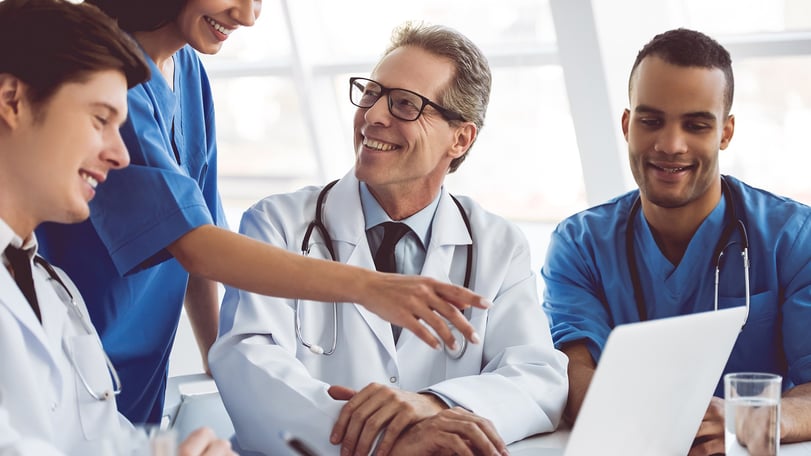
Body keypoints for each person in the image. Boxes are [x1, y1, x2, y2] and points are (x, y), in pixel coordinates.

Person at [35, 0, 488, 425]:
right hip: (68, 367)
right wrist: (369, 286)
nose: (249, 16)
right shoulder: (109, 79)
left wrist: (223, 364)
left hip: (137, 384)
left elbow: (204, 226)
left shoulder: (188, 71)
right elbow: (197, 247)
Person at [209, 22, 569, 456]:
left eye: (404, 105)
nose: (373, 116)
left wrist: (431, 406)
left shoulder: (497, 243)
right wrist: (386, 438)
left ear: (460, 138)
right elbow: (248, 363)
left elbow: (538, 377)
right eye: (371, 93)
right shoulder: (277, 223)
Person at [541, 28, 811, 455]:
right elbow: (577, 376)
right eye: (651, 121)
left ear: (725, 132)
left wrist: (751, 420)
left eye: (696, 124)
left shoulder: (794, 237)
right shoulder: (579, 245)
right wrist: (668, 428)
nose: (670, 145)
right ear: (628, 125)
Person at [0, 0, 235, 454]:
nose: (122, 155)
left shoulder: (56, 292)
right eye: (100, 120)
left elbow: (100, 437)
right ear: (12, 101)